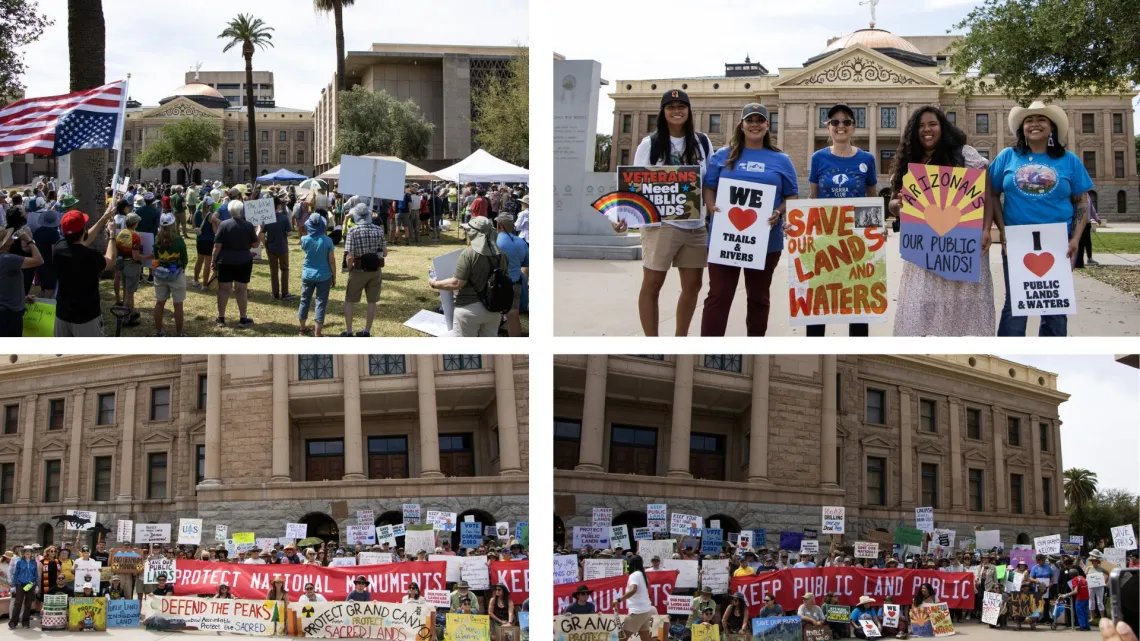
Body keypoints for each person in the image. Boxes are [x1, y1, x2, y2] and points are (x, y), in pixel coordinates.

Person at [888, 106, 995, 336]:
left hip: (962, 246)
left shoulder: (964, 154)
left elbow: (987, 195)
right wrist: (897, 206)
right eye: (921, 126)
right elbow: (893, 203)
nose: (927, 130)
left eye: (932, 124)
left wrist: (986, 229)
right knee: (923, 305)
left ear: (943, 127)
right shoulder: (909, 161)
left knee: (962, 305)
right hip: (924, 249)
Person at [612, 89, 712, 336]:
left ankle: (680, 339)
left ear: (689, 111)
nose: (677, 111)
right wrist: (622, 214)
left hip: (695, 224)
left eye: (681, 106)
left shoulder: (702, 142)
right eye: (671, 107)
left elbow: (710, 180)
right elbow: (634, 182)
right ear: (663, 112)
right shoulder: (651, 144)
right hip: (660, 224)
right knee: (653, 283)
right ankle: (652, 340)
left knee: (693, 286)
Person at [991, 101, 1092, 336]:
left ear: (1052, 128)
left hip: (1058, 242)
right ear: (1022, 128)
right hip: (1018, 240)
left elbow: (1081, 202)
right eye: (1029, 120)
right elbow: (992, 194)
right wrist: (1003, 230)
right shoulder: (1007, 157)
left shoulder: (1069, 160)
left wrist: (1075, 238)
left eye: (1041, 119)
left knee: (1055, 308)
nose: (1034, 124)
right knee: (1016, 305)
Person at [701, 103, 798, 336]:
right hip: (725, 239)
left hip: (766, 242)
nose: (755, 124)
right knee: (719, 295)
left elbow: (792, 196)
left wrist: (778, 212)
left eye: (760, 120)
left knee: (758, 298)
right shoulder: (723, 155)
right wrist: (711, 206)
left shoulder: (781, 159)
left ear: (767, 126)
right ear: (742, 125)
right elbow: (709, 187)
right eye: (749, 120)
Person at [802, 104, 877, 337]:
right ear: (828, 127)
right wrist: (800, 226)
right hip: (825, 240)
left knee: (857, 304)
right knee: (819, 300)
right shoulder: (818, 158)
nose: (841, 126)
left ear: (854, 127)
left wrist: (876, 230)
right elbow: (813, 198)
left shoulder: (867, 159)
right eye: (835, 122)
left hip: (856, 243)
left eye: (846, 122)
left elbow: (871, 200)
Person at [429, 216, 510, 337]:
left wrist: (434, 284)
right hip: (494, 310)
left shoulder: (469, 254)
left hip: (469, 310)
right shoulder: (502, 254)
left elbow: (457, 283)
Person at [54, 207, 118, 337]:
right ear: (83, 230)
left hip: (62, 314)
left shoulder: (59, 247)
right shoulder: (90, 256)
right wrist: (112, 236)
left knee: (63, 356)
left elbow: (83, 240)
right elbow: (110, 261)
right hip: (86, 316)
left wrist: (103, 219)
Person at [212, 199, 259, 328]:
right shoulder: (249, 225)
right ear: (241, 211)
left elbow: (217, 246)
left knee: (223, 289)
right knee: (241, 290)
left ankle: (221, 318)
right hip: (243, 260)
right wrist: (259, 230)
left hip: (225, 261)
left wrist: (213, 261)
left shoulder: (223, 225)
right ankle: (243, 319)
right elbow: (255, 244)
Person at [342, 203, 386, 337]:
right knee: (371, 302)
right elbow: (385, 253)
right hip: (375, 270)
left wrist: (349, 269)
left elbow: (349, 255)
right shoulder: (379, 230)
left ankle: (349, 332)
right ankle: (366, 331)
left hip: (358, 270)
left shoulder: (353, 231)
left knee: (350, 300)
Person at [151, 213, 189, 336]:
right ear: (173, 225)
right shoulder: (178, 240)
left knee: (159, 302)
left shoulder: (157, 239)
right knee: (178, 305)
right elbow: (184, 260)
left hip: (160, 274)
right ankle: (179, 333)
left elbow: (156, 257)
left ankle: (159, 332)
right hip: (176, 275)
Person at [0, 228, 43, 336]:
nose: (13, 239)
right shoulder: (8, 259)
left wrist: (22, 298)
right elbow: (39, 260)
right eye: (9, 237)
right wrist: (29, 240)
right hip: (9, 314)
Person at [298, 214, 336, 336]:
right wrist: (334, 276)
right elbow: (332, 260)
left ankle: (302, 328)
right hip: (324, 276)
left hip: (307, 275)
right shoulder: (328, 240)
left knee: (304, 301)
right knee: (321, 303)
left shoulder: (304, 240)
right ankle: (317, 333)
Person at [495, 213, 528, 337]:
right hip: (517, 281)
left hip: (499, 283)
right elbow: (526, 263)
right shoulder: (521, 242)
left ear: (499, 226)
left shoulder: (495, 241)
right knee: (513, 315)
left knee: (494, 311)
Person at [615, 554, 656, 641]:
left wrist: (619, 600)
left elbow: (633, 590)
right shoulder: (643, 575)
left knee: (622, 639)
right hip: (646, 610)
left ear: (631, 564)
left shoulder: (634, 575)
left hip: (637, 611)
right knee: (646, 638)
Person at [261, 194, 294, 300]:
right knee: (284, 269)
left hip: (270, 247)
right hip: (282, 247)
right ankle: (285, 293)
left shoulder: (266, 218)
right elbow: (289, 233)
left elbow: (261, 233)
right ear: (278, 206)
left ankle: (275, 293)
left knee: (273, 270)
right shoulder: (284, 218)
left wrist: (265, 243)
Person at [8, 546, 39, 629]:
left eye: (29, 551)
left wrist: (36, 586)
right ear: (23, 553)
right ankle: (13, 622)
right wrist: (14, 586)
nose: (27, 552)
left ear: (32, 553)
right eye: (26, 551)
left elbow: (36, 574)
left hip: (31, 584)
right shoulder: (19, 562)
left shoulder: (34, 563)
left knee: (28, 604)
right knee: (18, 603)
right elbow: (16, 574)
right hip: (20, 584)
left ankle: (25, 622)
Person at [192, 197, 216, 289]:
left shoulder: (196, 213)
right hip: (209, 241)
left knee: (199, 261)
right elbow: (214, 230)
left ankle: (195, 280)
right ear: (210, 205)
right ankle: (204, 284)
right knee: (207, 263)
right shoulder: (211, 216)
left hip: (200, 240)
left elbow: (194, 227)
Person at [1074, 193, 1100, 268]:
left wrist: (1096, 218)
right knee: (1081, 243)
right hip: (1080, 223)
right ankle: (1079, 263)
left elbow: (1091, 208)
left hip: (1088, 223)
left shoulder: (1087, 195)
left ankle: (1090, 258)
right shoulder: (1076, 194)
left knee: (1088, 242)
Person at [1085, 550, 1110, 622]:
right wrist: (1086, 573)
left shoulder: (1101, 568)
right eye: (1092, 561)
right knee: (1091, 601)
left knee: (1100, 602)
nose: (1093, 562)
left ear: (1098, 562)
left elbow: (1108, 573)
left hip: (1099, 587)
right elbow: (1085, 575)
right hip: (1091, 586)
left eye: (1094, 561)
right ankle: (1092, 617)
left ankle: (1102, 617)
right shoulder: (1089, 568)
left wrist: (1105, 582)